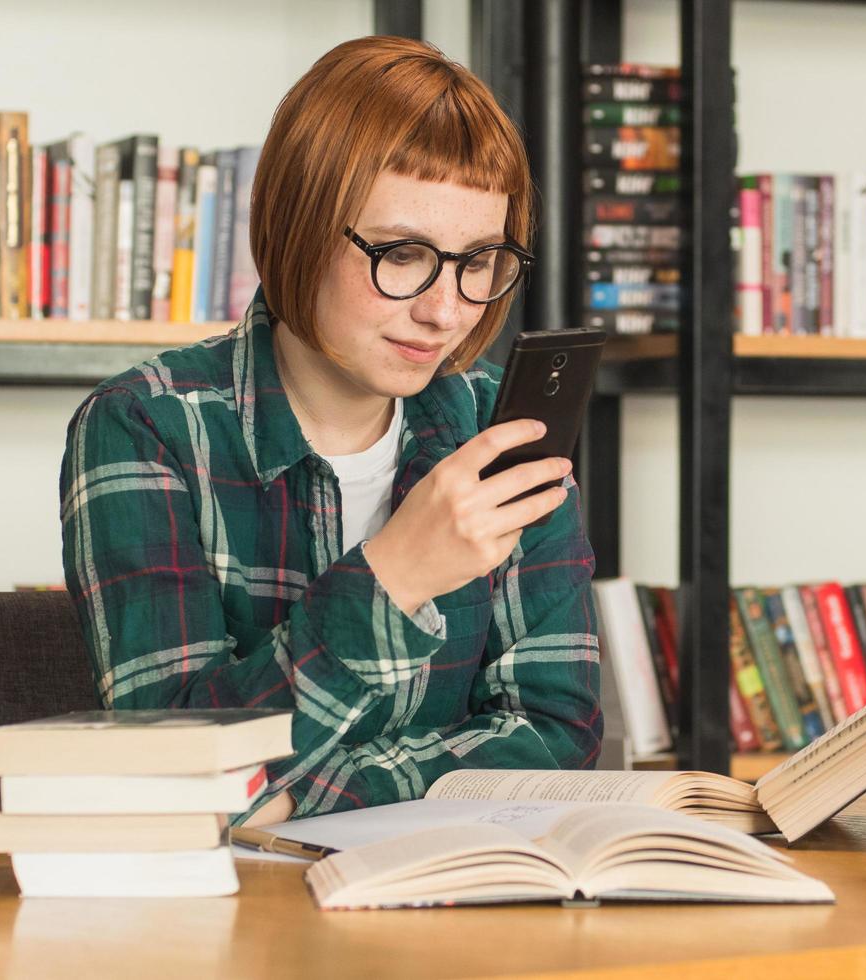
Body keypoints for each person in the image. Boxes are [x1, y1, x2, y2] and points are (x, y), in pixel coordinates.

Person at [58, 36, 602, 826]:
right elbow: (171, 773)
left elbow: (556, 738)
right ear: (300, 225)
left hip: (456, 914)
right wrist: (393, 579)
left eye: (479, 260)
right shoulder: (147, 425)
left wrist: (299, 796)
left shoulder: (498, 429)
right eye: (404, 254)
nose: (445, 310)